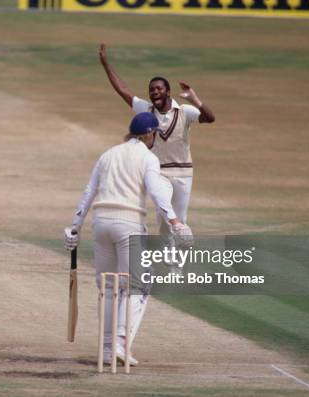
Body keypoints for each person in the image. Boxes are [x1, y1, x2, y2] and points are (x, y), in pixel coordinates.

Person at [63, 112, 193, 367]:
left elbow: (89, 191)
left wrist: (75, 227)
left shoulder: (108, 154)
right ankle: (121, 342)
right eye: (154, 133)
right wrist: (175, 223)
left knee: (109, 288)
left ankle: (108, 348)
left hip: (101, 225)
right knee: (138, 285)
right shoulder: (149, 158)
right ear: (148, 134)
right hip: (129, 224)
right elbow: (157, 193)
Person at [99, 43, 215, 238]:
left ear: (168, 91)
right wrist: (105, 64)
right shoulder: (146, 110)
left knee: (179, 221)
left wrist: (195, 100)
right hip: (158, 172)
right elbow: (123, 90)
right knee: (165, 215)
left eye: (159, 89)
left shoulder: (185, 111)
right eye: (151, 89)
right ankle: (169, 262)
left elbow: (210, 118)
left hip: (183, 173)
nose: (154, 92)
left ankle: (175, 267)